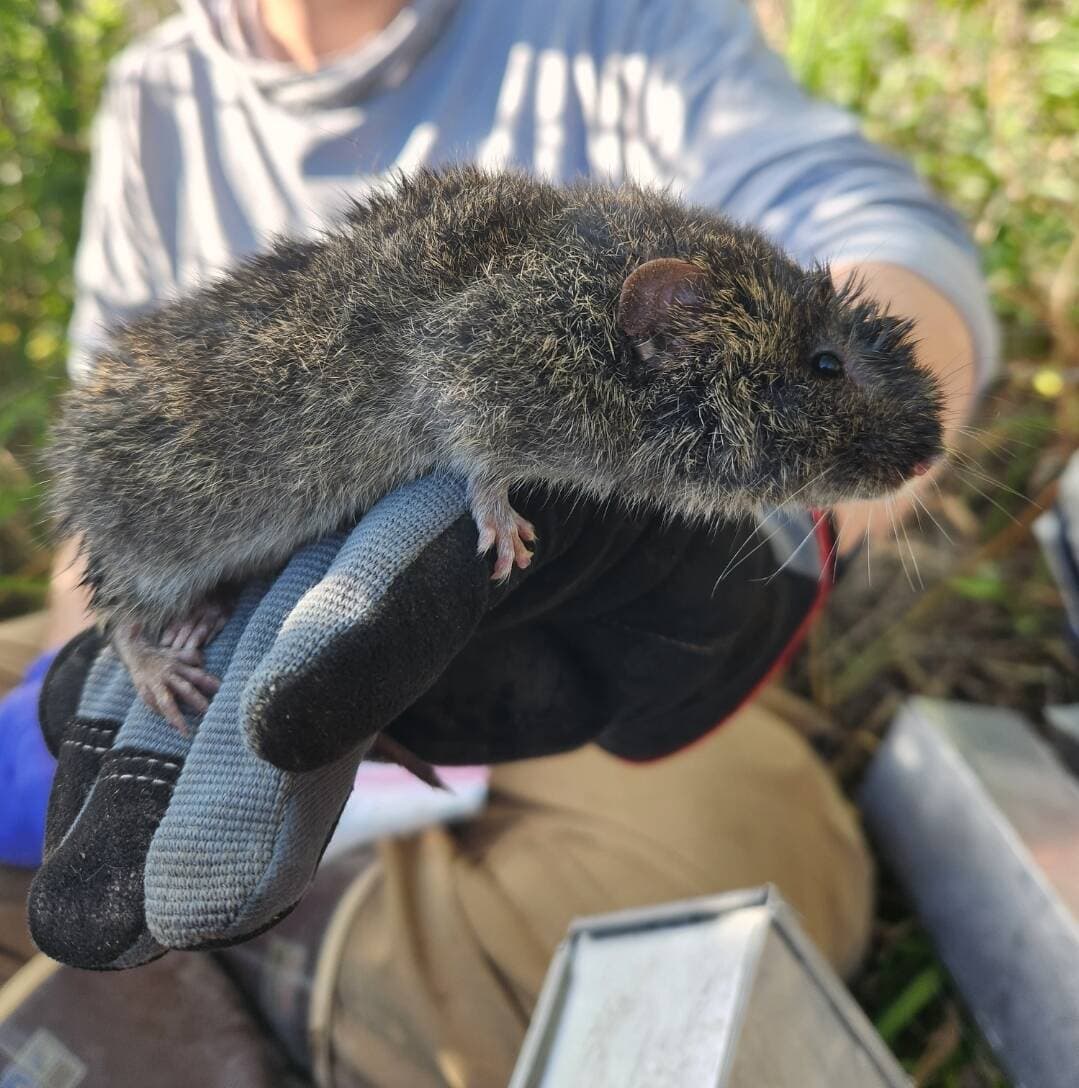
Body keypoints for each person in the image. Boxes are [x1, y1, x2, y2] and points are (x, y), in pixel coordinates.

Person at [0, 0, 995, 1084]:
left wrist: (788, 531)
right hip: (237, 588)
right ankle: (289, 946)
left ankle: (180, 964)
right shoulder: (159, 90)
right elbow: (108, 436)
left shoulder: (612, 21)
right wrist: (90, 663)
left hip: (577, 666)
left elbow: (877, 231)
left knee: (742, 876)